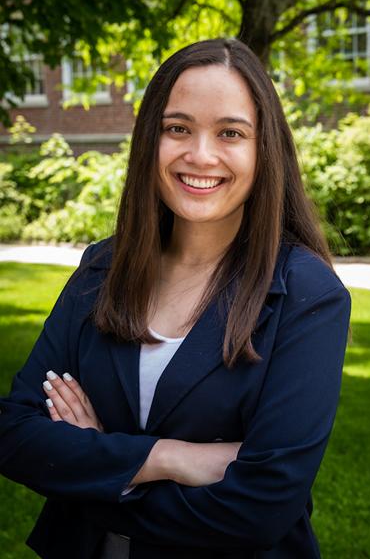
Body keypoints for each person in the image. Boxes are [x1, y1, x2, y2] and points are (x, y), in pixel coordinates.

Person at [0, 38, 351, 559]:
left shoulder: (307, 295)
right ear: (151, 140)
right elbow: (15, 432)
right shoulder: (104, 267)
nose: (200, 154)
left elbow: (259, 508)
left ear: (263, 149)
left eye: (230, 133)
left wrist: (94, 467)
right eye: (178, 128)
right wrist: (171, 458)